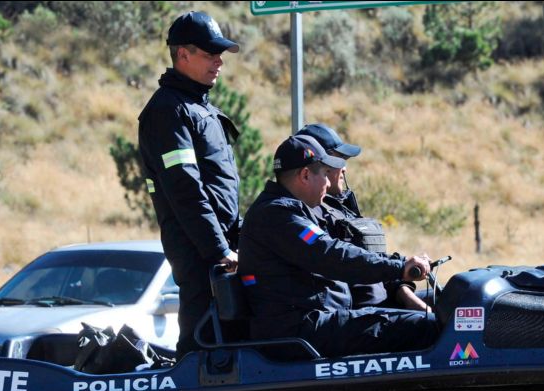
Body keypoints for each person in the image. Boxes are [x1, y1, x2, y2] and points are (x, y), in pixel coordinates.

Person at [238, 134, 440, 357]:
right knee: (425, 327)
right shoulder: (277, 215)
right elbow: (331, 255)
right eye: (325, 174)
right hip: (299, 330)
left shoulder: (293, 210)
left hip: (313, 323)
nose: (328, 182)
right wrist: (399, 268)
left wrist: (399, 265)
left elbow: (339, 251)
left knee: (445, 308)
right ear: (305, 175)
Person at [138, 11, 241, 359]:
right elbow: (185, 190)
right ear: (183, 54)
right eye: (210, 54)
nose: (219, 62)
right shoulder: (168, 111)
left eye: (220, 54)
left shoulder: (199, 107)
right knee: (203, 344)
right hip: (200, 252)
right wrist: (218, 249)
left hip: (221, 247)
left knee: (229, 340)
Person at [296, 123, 429, 312]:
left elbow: (375, 259)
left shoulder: (341, 208)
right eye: (339, 161)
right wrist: (400, 268)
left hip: (386, 302)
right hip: (360, 314)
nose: (344, 169)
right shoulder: (308, 215)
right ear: (320, 164)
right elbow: (339, 258)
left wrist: (406, 294)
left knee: (458, 297)